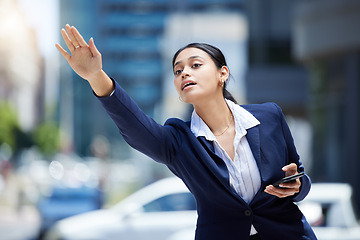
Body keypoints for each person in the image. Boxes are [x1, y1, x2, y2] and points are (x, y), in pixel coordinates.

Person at [56, 24, 317, 240]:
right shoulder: (179, 141)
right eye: (178, 70)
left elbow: (301, 181)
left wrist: (296, 185)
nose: (184, 73)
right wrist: (95, 76)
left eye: (195, 65)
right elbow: (136, 128)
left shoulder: (270, 116)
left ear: (222, 73)